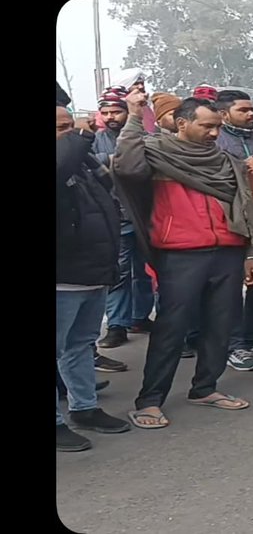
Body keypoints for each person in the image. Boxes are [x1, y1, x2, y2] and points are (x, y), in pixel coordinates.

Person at [112, 92, 253, 430]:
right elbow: (124, 165)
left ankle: (205, 388)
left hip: (228, 250)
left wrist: (251, 253)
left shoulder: (225, 161)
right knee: (171, 328)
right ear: (182, 123)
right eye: (207, 126)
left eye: (217, 127)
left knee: (221, 325)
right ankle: (150, 401)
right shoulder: (155, 153)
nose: (214, 133)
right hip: (180, 254)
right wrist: (135, 117)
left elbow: (246, 207)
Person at [57, 97, 131, 451]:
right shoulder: (66, 160)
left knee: (80, 345)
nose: (69, 135)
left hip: (92, 273)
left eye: (69, 127)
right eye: (60, 130)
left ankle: (84, 408)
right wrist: (80, 141)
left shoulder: (80, 163)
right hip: (62, 277)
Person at [92, 87, 147, 365]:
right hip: (116, 219)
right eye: (106, 113)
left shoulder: (143, 137)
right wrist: (110, 160)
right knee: (120, 274)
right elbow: (89, 166)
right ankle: (117, 325)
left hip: (145, 216)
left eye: (116, 111)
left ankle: (141, 317)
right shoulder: (95, 140)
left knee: (147, 272)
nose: (111, 117)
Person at [214, 89, 253, 372]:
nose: (250, 114)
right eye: (243, 110)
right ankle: (233, 346)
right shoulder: (217, 141)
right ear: (224, 114)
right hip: (231, 222)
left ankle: (252, 338)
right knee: (233, 289)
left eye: (251, 109)